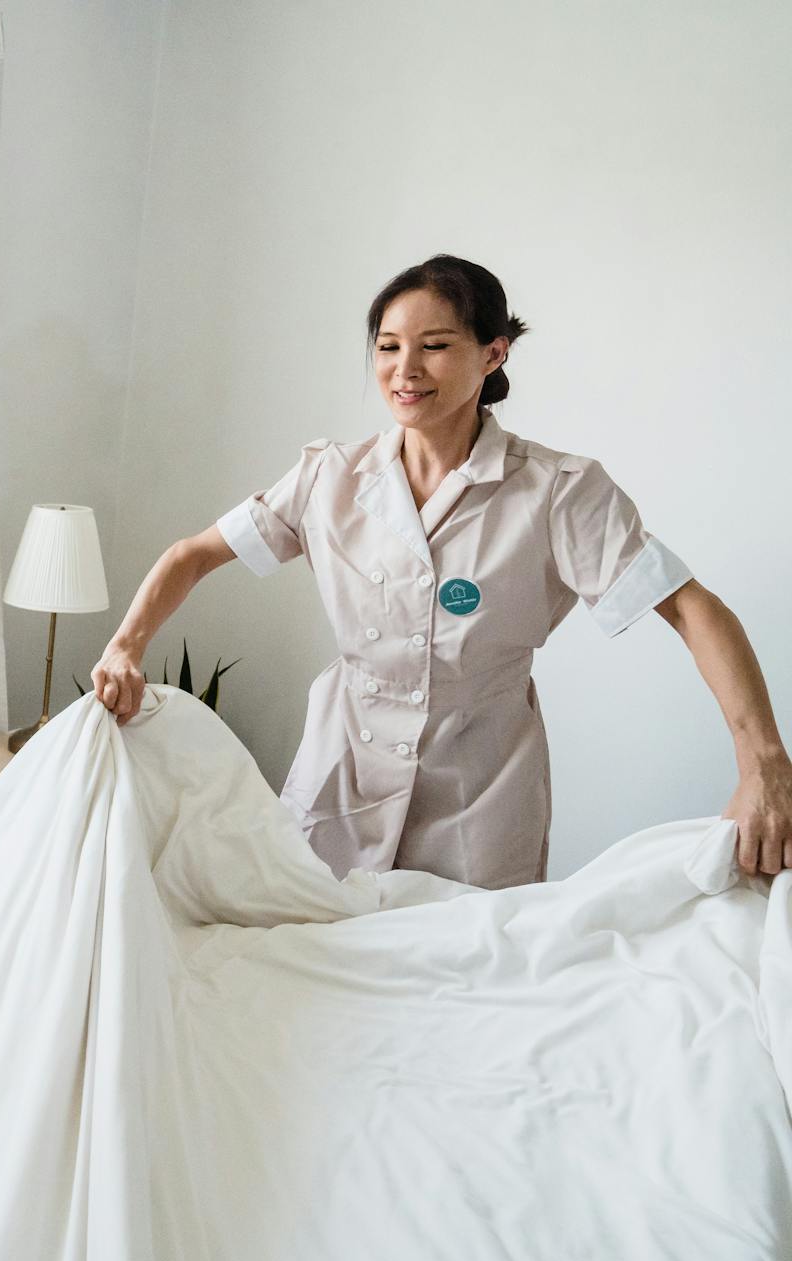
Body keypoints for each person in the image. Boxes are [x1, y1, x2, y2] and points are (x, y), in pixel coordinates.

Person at [91, 255, 791, 889]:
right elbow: (195, 555)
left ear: (493, 354)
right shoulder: (330, 476)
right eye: (389, 347)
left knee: (464, 986)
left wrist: (763, 764)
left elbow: (692, 609)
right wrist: (126, 645)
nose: (405, 369)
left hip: (479, 792)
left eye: (434, 347)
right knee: (306, 966)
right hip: (342, 769)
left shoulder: (556, 490)